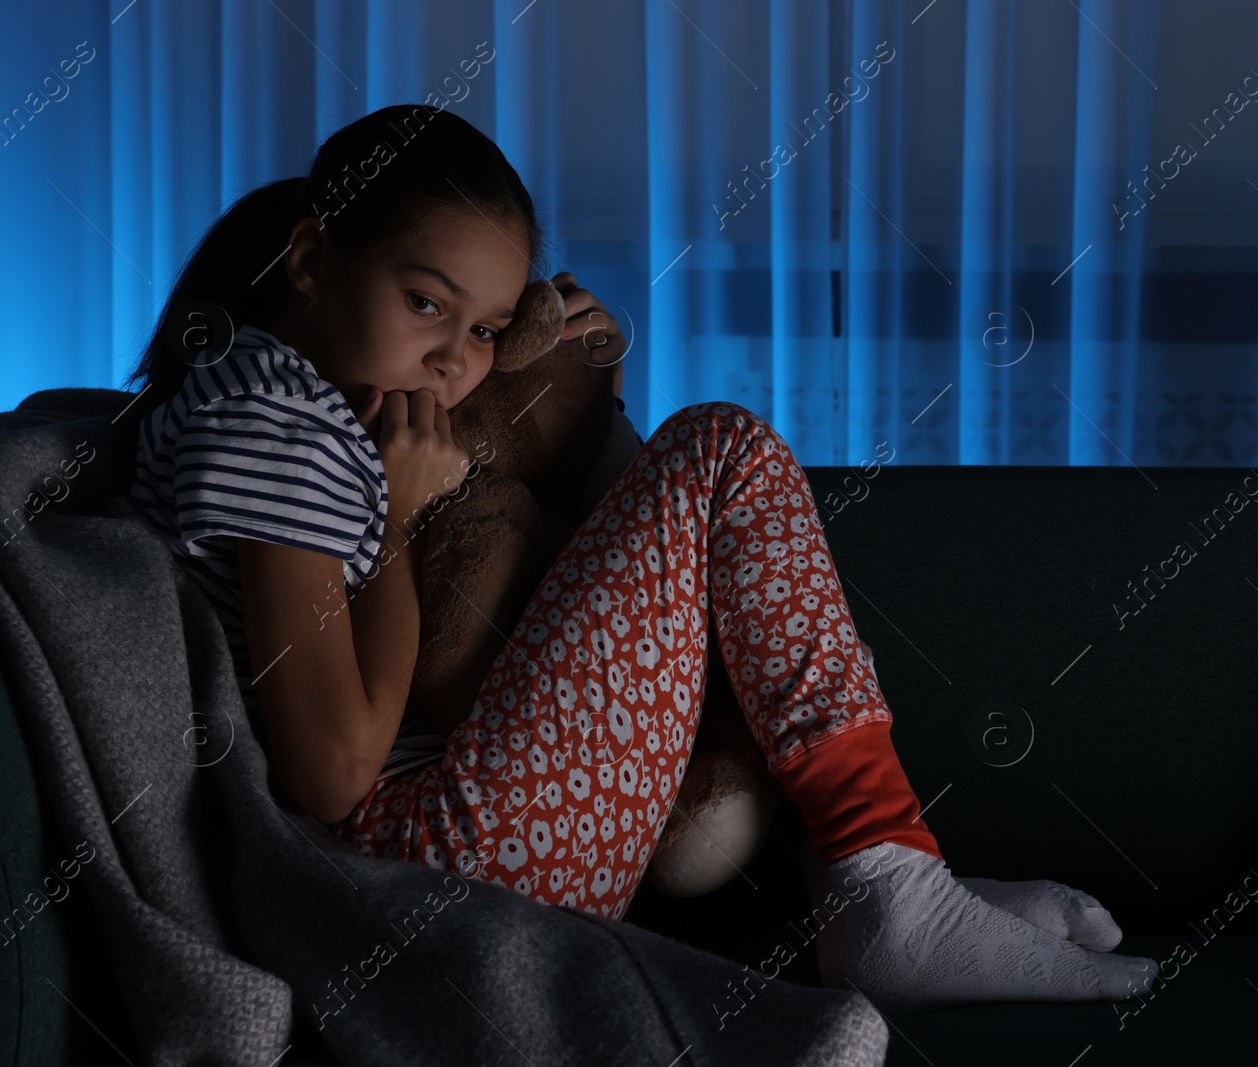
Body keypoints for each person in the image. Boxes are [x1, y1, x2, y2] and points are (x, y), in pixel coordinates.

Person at [123, 103, 1155, 1013]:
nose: (456, 358)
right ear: (309, 260)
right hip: (439, 869)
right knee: (722, 447)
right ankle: (885, 882)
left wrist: (575, 405)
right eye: (426, 302)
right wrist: (397, 526)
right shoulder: (275, 428)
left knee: (711, 477)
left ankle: (881, 868)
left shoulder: (293, 405)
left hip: (462, 847)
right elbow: (335, 770)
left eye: (485, 326)